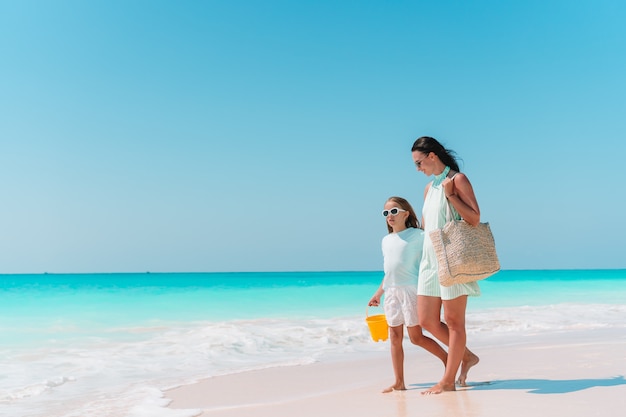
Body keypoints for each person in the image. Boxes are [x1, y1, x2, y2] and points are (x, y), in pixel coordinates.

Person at [411, 136, 481, 394]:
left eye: (419, 163)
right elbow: (426, 227)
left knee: (453, 322)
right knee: (427, 320)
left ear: (432, 156)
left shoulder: (458, 180)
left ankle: (448, 381)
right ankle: (467, 357)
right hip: (429, 261)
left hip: (453, 258)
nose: (418, 169)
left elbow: (474, 218)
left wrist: (452, 196)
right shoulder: (429, 188)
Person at [369, 196, 447, 393]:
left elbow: (435, 252)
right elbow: (389, 272)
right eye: (386, 213)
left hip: (411, 290)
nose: (390, 216)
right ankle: (399, 382)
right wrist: (379, 293)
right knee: (394, 337)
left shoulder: (418, 235)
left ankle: (449, 360)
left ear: (406, 214)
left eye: (394, 211)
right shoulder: (386, 240)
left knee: (416, 337)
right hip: (392, 292)